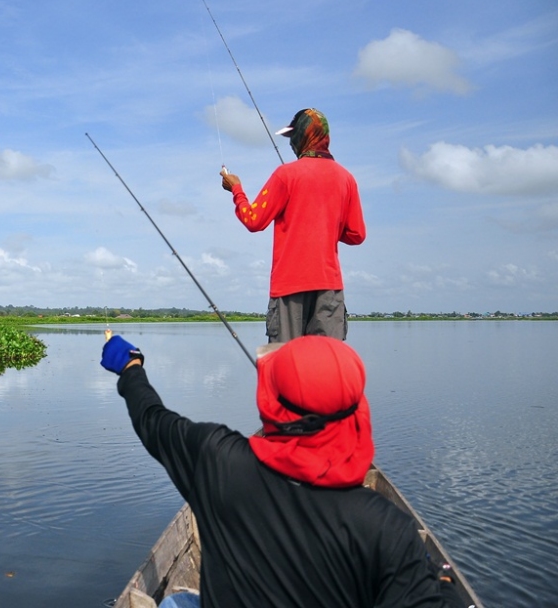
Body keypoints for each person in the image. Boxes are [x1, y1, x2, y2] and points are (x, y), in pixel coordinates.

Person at [101, 332, 466, 608]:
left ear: (270, 404)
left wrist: (130, 365)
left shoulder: (215, 458)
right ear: (357, 410)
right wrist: (445, 588)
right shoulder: (388, 528)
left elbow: (151, 417)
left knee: (174, 603)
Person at [220, 108, 365, 343]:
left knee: (283, 365)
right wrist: (324, 223)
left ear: (303, 137)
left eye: (293, 137)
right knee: (326, 369)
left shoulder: (285, 175)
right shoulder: (346, 178)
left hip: (288, 290)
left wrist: (236, 190)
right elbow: (356, 234)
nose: (291, 144)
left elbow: (253, 220)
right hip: (330, 290)